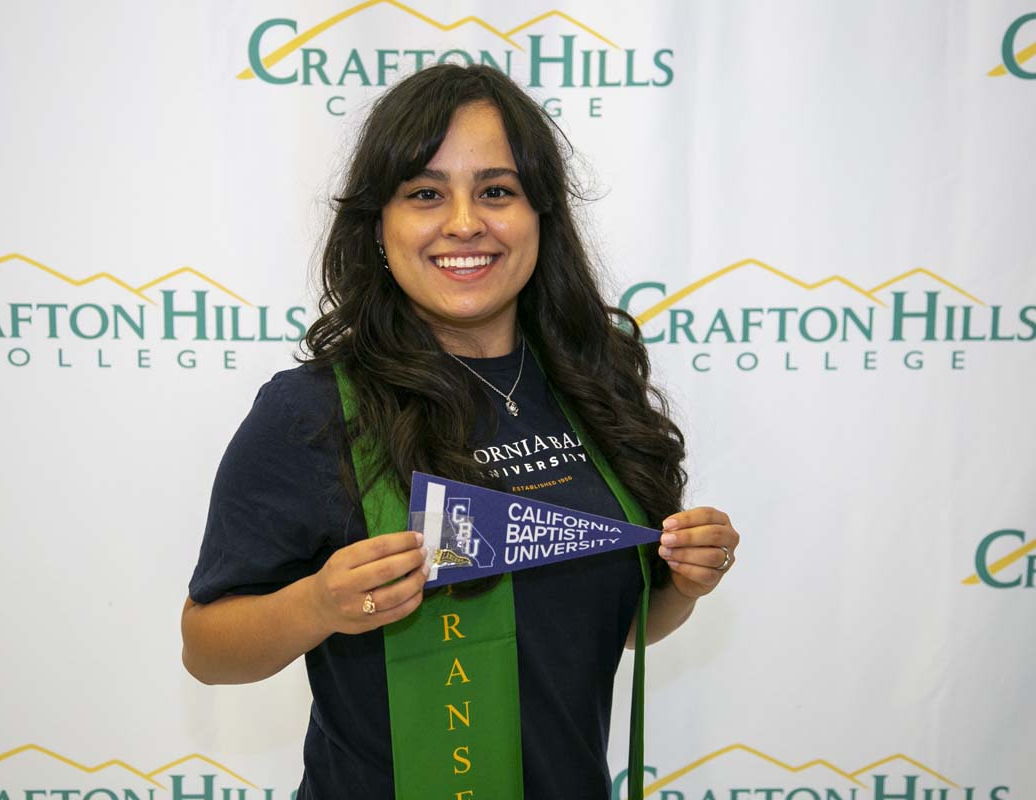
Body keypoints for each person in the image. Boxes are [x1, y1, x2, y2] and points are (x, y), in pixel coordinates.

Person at [181, 64, 739, 800]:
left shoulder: (593, 389)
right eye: (424, 194)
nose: (465, 222)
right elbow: (207, 648)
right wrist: (317, 604)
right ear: (380, 227)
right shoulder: (311, 412)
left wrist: (686, 582)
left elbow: (621, 626)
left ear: (542, 215)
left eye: (497, 191)